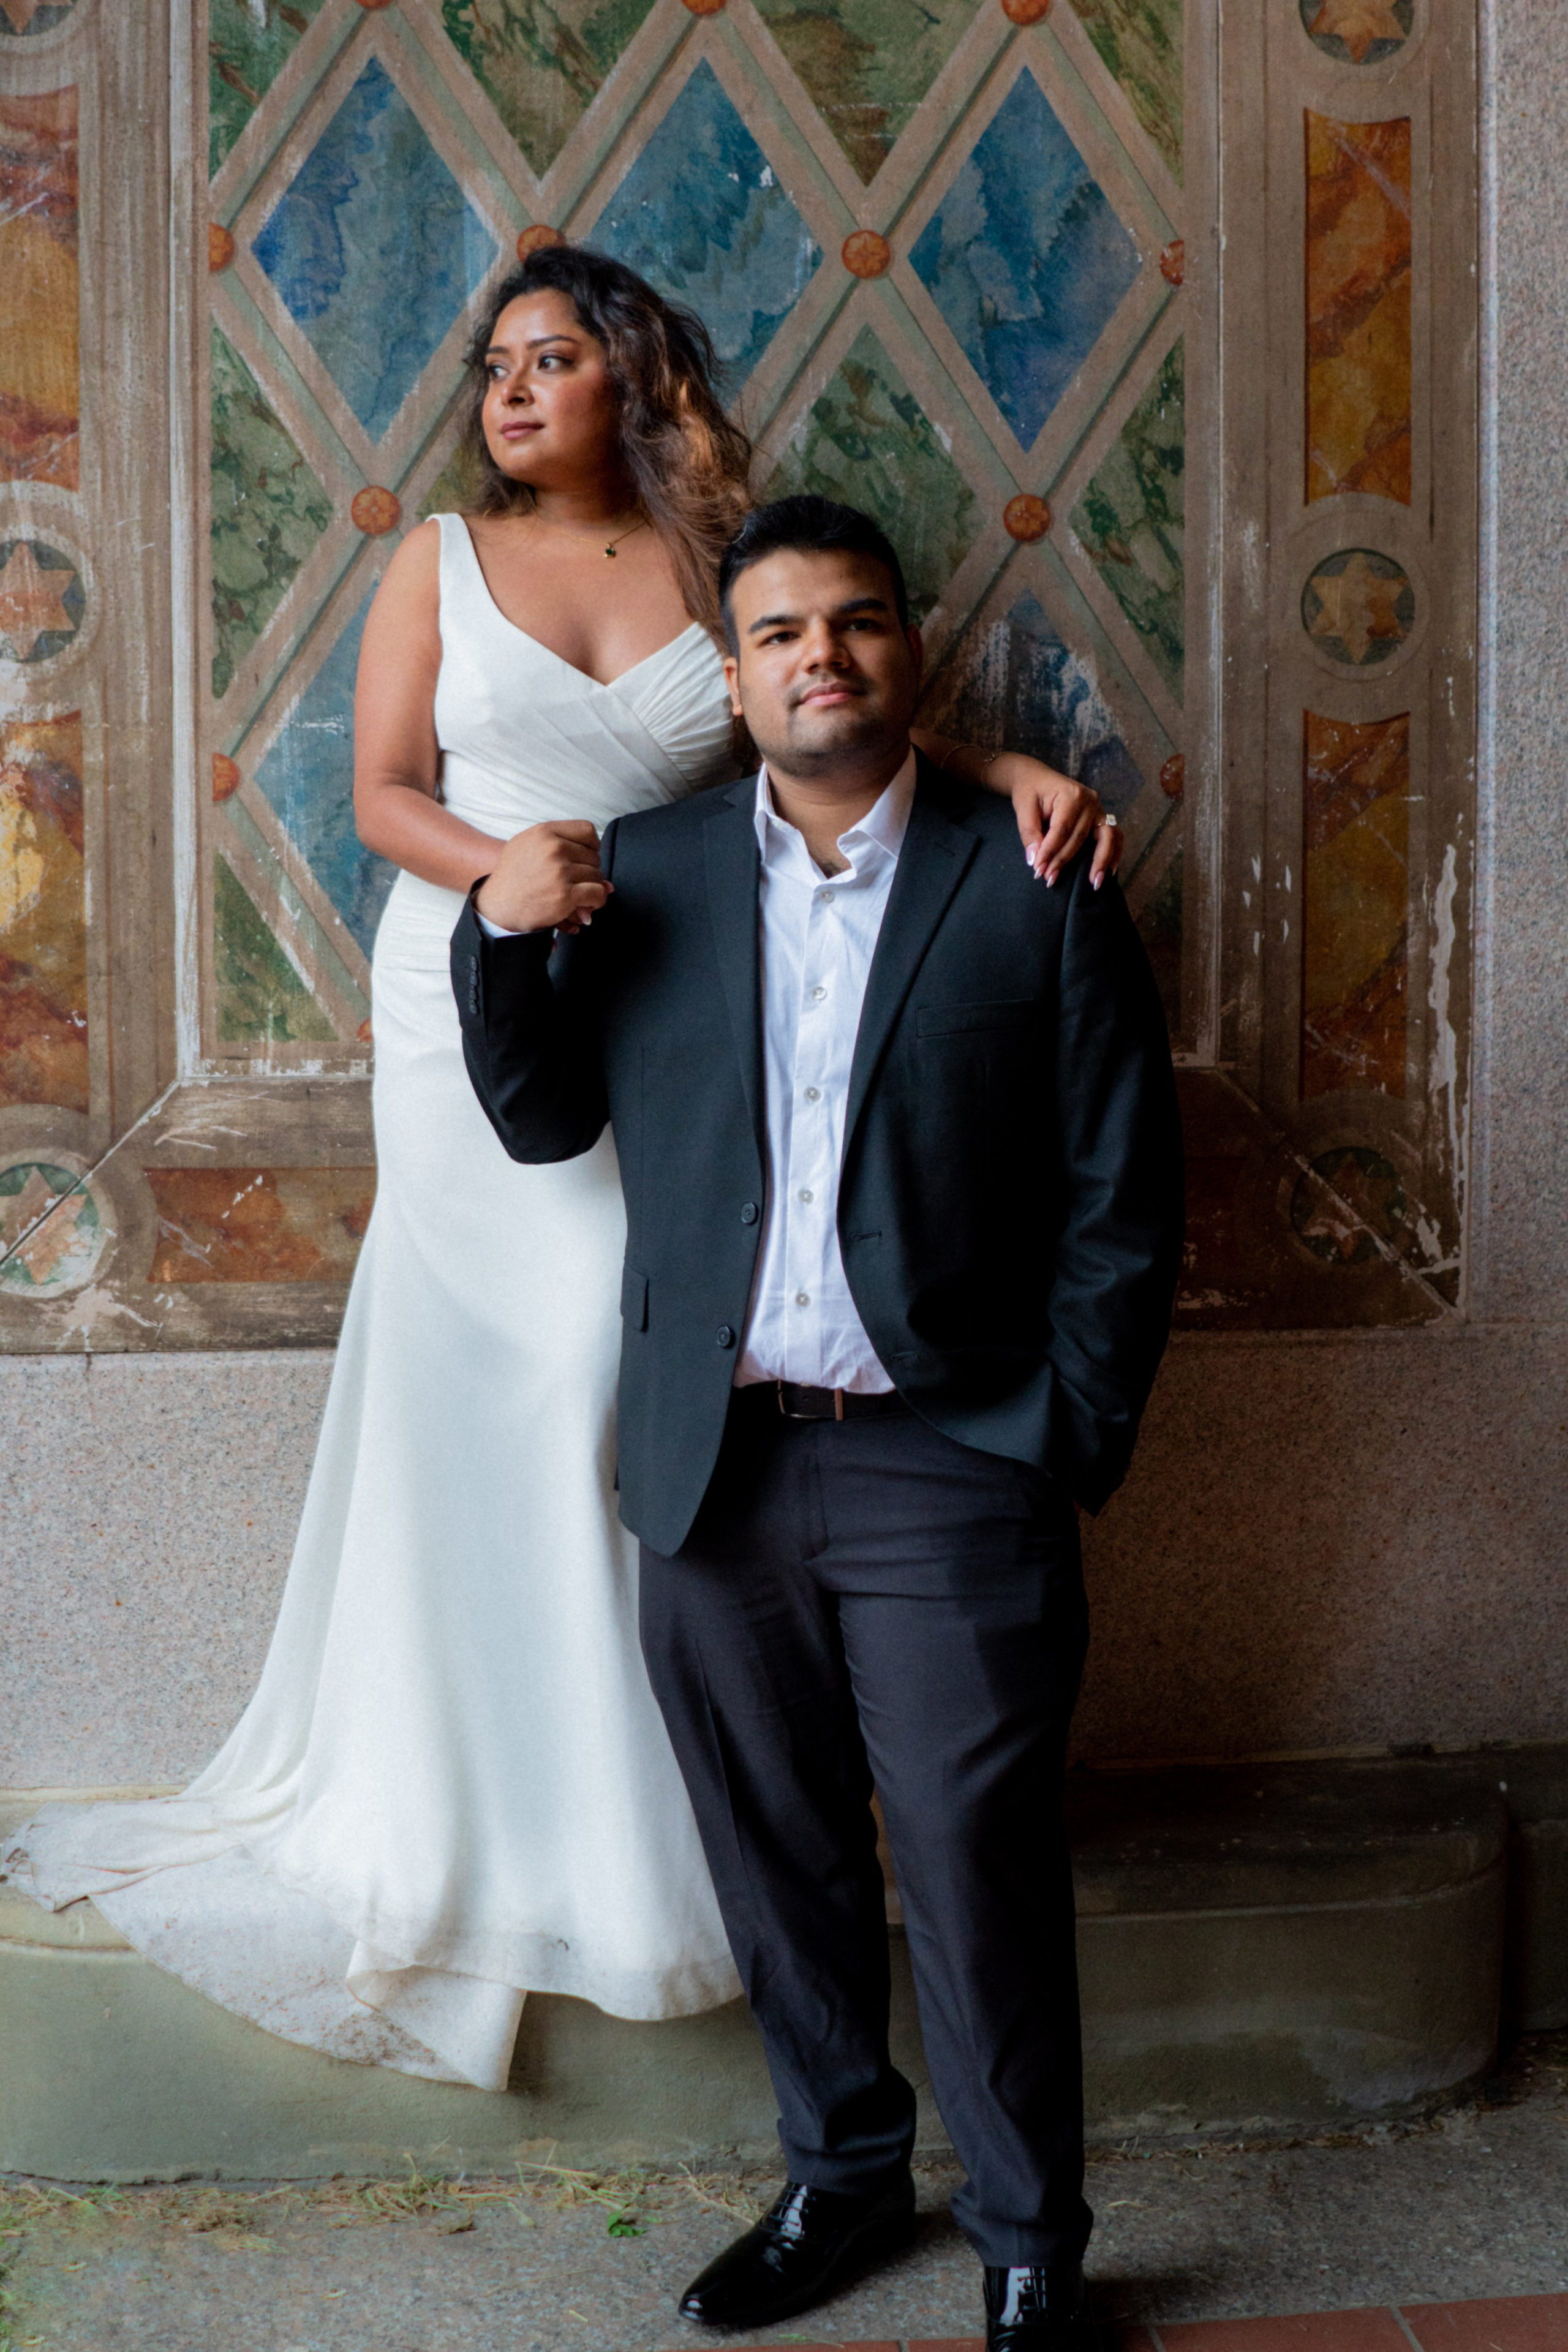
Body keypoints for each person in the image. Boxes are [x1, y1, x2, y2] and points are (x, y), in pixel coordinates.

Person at [6, 251, 1122, 2091]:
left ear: (638, 376)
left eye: (556, 357)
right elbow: (375, 791)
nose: (514, 391)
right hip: (480, 991)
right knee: (508, 1378)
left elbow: (825, 724)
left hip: (681, 996)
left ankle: (660, 1823)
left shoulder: (720, 565)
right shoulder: (437, 559)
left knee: (653, 1379)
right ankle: (489, 1822)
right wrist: (505, 879)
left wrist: (1002, 768)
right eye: (496, 366)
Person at [453, 496, 1183, 2348]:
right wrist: (493, 931)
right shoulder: (651, 868)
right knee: (777, 1865)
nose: (820, 658)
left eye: (855, 624)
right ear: (737, 672)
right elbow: (544, 1122)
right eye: (782, 634)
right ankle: (842, 2180)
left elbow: (1122, 1189)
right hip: (717, 1470)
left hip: (951, 1462)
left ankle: (1029, 2239)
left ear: (905, 654)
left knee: (974, 1866)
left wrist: (1066, 1433)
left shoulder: (1033, 873)